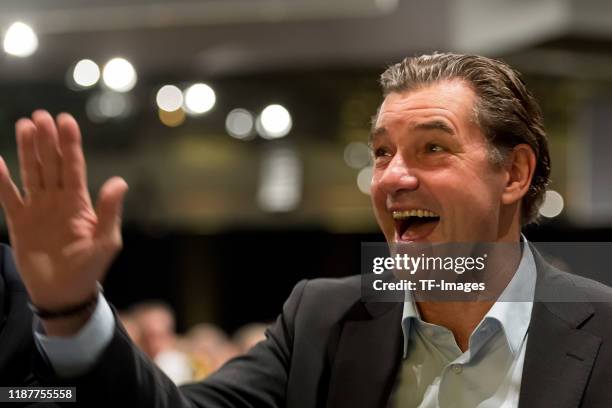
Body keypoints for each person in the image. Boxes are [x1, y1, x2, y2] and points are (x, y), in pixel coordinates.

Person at [1, 53, 611, 407]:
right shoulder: (322, 319)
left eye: (431, 148)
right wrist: (72, 310)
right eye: (380, 153)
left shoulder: (603, 334)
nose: (392, 178)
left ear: (515, 173)